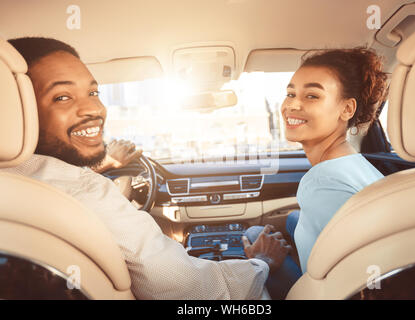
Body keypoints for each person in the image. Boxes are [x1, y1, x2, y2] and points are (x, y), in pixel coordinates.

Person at [2, 37, 291, 299]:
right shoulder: (86, 192)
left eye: (93, 92)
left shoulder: (21, 187)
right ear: (16, 109)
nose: (94, 109)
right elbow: (188, 289)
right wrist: (259, 264)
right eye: (62, 97)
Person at [246, 47, 387, 299]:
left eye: (311, 96)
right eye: (290, 93)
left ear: (347, 109)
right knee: (293, 217)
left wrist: (263, 261)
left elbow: (351, 286)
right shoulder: (357, 163)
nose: (292, 104)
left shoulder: (322, 182)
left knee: (254, 235)